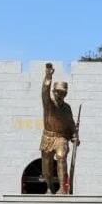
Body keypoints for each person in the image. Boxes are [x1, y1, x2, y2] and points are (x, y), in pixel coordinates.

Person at [40, 62, 80, 195]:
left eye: (63, 92)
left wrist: (74, 135)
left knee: (61, 157)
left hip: (60, 137)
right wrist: (48, 77)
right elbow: (44, 93)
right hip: (47, 136)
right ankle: (49, 187)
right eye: (58, 92)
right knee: (46, 165)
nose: (60, 95)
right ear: (54, 92)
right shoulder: (49, 104)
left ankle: (63, 188)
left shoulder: (67, 108)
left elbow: (71, 123)